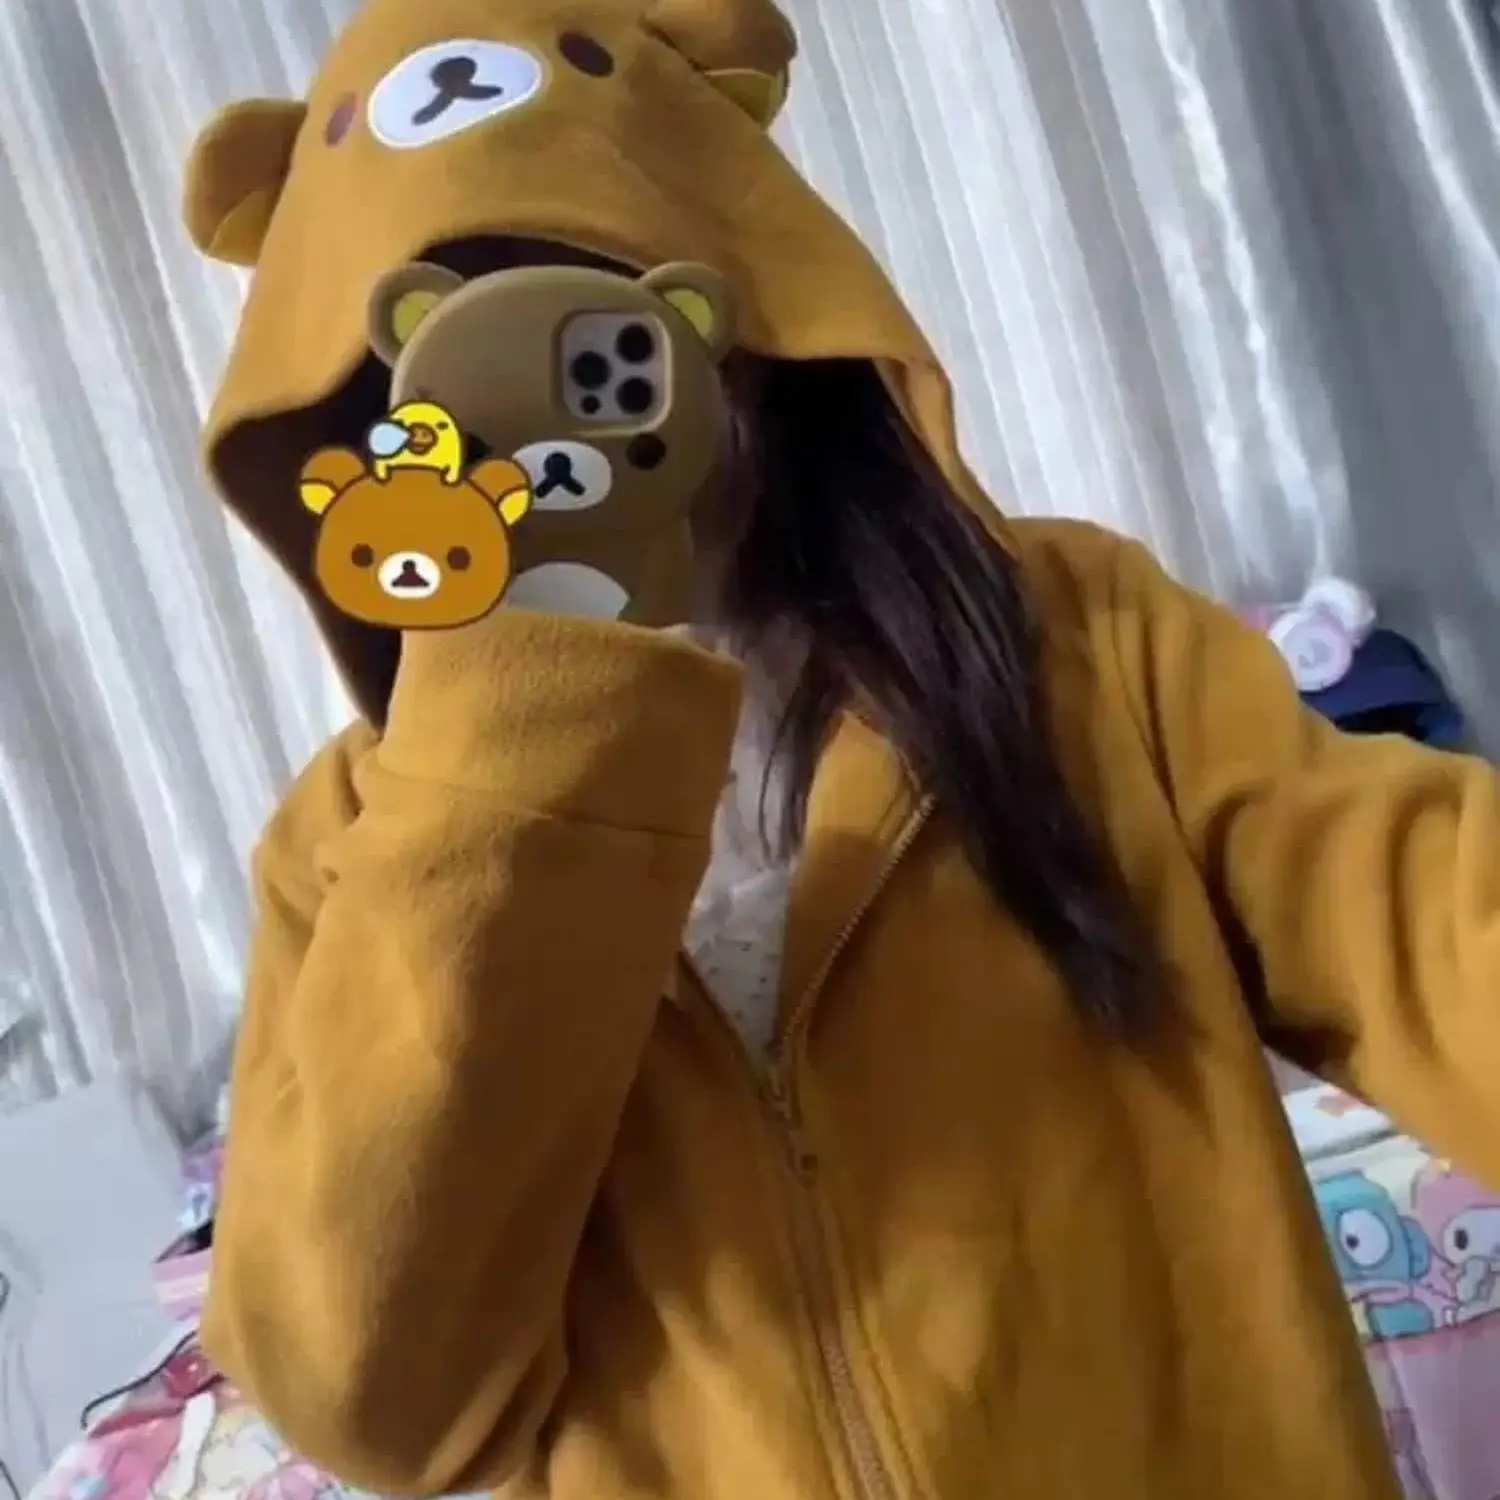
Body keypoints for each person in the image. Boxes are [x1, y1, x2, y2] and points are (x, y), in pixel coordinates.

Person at [182, 1, 1500, 1497]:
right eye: (461, 378)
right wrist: (514, 743)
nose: (561, 439)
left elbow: (1425, 918)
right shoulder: (351, 849)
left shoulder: (1083, 642)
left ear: (741, 318)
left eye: (603, 333)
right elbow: (370, 1396)